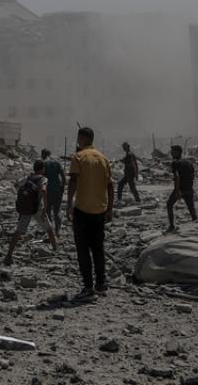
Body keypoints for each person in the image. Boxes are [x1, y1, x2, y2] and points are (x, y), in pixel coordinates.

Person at [67, 126, 114, 300]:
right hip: (99, 211)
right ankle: (101, 284)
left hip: (82, 210)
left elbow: (73, 180)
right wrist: (110, 209)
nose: (77, 141)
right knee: (98, 248)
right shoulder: (103, 159)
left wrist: (69, 204)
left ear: (83, 139)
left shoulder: (78, 157)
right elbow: (110, 186)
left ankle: (88, 287)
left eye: (79, 138)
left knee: (83, 250)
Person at [4, 160, 58, 265]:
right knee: (49, 229)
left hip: (27, 208)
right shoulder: (43, 179)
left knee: (18, 231)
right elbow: (43, 190)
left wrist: (24, 198)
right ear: (42, 169)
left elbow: (16, 185)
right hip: (37, 209)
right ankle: (56, 250)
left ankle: (9, 255)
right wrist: (45, 207)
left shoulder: (27, 178)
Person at [165, 144, 197, 232]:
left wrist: (177, 191)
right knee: (191, 209)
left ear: (178, 152)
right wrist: (190, 188)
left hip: (180, 189)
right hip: (189, 189)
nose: (171, 154)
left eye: (173, 152)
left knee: (169, 204)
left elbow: (177, 177)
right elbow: (192, 176)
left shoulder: (175, 163)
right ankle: (197, 226)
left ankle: (171, 226)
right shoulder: (189, 163)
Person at [41, 148, 65, 228]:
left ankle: (50, 230)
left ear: (44, 155)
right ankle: (57, 230)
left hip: (47, 191)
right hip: (57, 190)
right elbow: (63, 176)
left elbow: (41, 178)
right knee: (57, 210)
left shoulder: (43, 164)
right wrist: (62, 187)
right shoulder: (57, 163)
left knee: (47, 211)